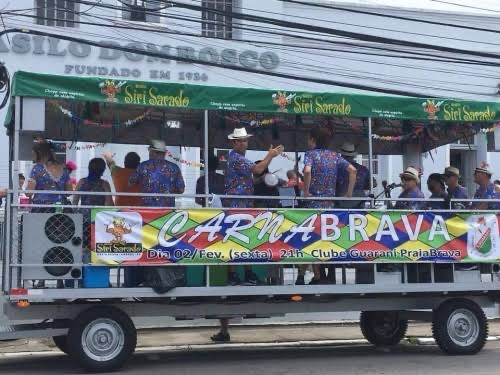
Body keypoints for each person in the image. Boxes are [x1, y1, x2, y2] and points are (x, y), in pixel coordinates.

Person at [211, 128, 283, 344]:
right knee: (237, 242)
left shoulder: (238, 159)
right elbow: (257, 169)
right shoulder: (236, 158)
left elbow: (254, 175)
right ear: (234, 143)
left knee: (244, 242)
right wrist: (269, 156)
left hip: (244, 204)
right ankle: (235, 274)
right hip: (237, 205)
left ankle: (247, 272)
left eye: (244, 141)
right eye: (240, 141)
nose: (243, 144)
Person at [299, 128, 356, 285]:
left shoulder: (310, 154)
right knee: (326, 241)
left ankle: (317, 276)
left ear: (313, 139)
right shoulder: (335, 156)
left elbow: (307, 171)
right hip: (330, 206)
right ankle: (316, 275)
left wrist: (306, 192)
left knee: (311, 241)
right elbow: (353, 170)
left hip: (313, 204)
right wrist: (348, 194)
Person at [129, 140, 185, 207]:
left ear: (153, 152)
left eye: (149, 151)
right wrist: (168, 190)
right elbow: (181, 189)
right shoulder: (174, 167)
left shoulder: (143, 166)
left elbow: (131, 183)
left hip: (147, 209)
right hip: (167, 209)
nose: (149, 154)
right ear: (164, 153)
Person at [25, 141, 72, 212]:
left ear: (40, 154)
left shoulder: (37, 169)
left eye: (33, 155)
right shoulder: (64, 169)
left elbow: (28, 193)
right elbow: (69, 192)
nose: (33, 158)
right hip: (60, 209)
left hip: (41, 209)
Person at [336, 142, 370, 209]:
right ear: (353, 156)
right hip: (359, 203)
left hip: (340, 203)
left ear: (342, 155)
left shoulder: (337, 169)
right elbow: (372, 184)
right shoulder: (363, 169)